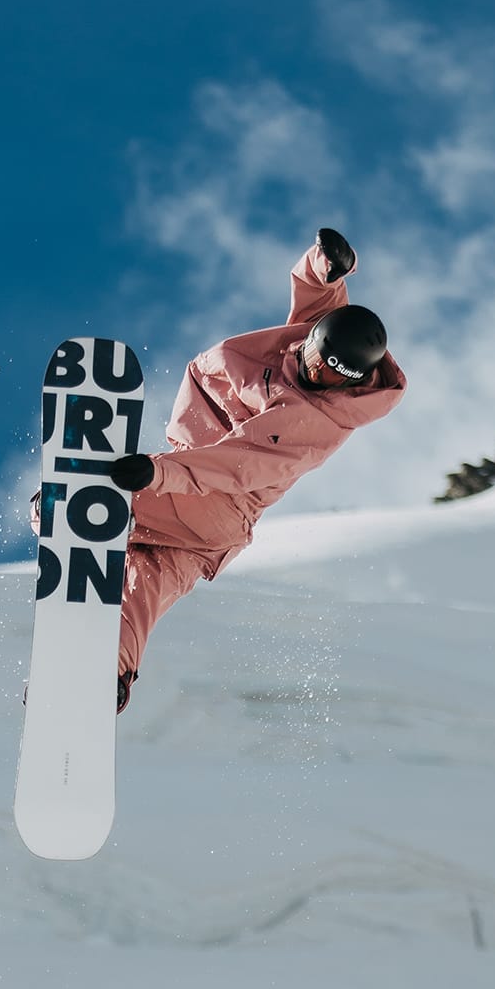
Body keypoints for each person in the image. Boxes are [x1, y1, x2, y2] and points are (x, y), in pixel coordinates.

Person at [98, 228, 405, 711]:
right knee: (144, 582)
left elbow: (233, 465)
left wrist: (156, 474)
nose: (312, 373)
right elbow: (318, 294)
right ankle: (107, 675)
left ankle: (77, 507)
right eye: (314, 359)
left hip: (213, 497)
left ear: (347, 383)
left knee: (104, 505)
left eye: (328, 377)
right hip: (208, 520)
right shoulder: (308, 340)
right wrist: (326, 263)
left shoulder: (312, 423)